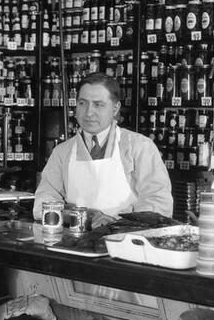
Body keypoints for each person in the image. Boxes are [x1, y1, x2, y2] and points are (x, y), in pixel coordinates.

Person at [33, 73, 173, 226]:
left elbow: (160, 204)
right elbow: (42, 206)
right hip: (76, 243)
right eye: (82, 103)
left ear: (115, 109)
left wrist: (117, 221)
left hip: (128, 241)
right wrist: (82, 217)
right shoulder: (62, 152)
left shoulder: (139, 147)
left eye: (98, 104)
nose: (88, 113)